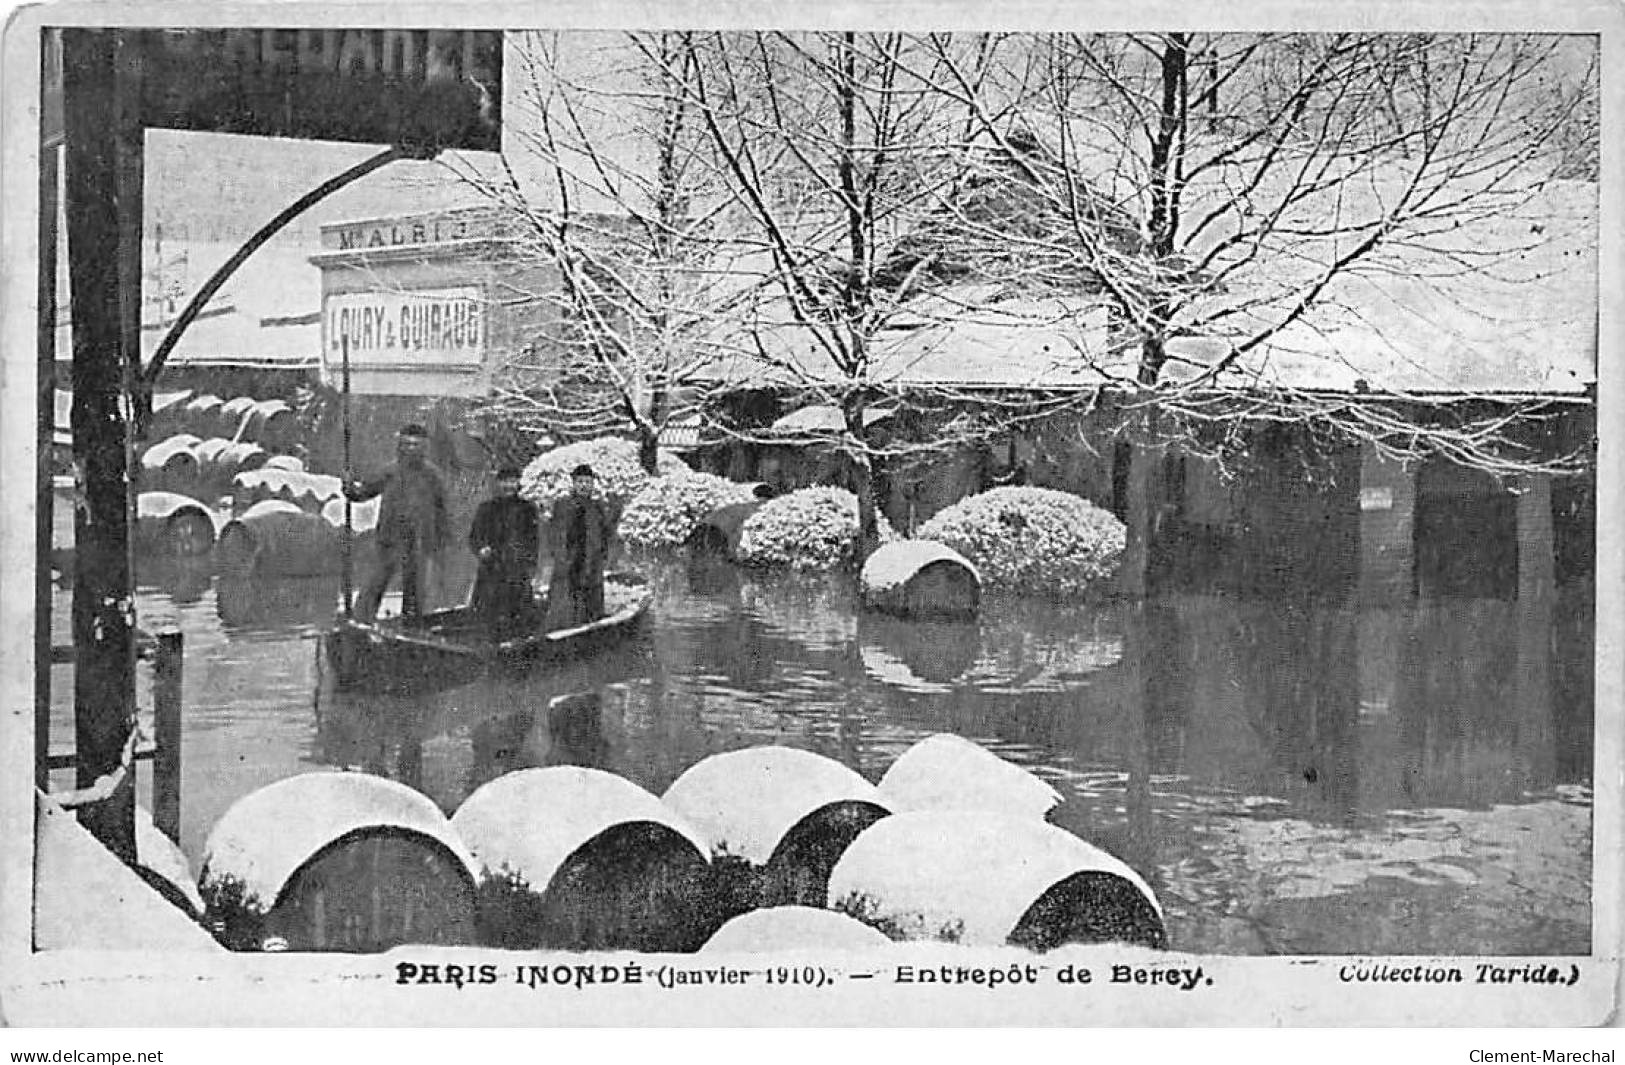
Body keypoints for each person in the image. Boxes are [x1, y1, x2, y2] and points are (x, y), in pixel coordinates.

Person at [345, 423, 448, 623]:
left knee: (415, 587)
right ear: (399, 445)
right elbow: (362, 493)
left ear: (424, 447)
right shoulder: (389, 471)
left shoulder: (433, 476)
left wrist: (440, 539)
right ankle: (361, 620)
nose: (411, 449)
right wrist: (348, 487)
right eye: (407, 444)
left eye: (416, 444)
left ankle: (412, 624)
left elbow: (442, 510)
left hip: (419, 538)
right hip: (391, 536)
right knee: (377, 579)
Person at [467, 465, 540, 639]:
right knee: (489, 614)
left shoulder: (527, 509)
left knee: (520, 614)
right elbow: (474, 537)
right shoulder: (486, 508)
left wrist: (530, 564)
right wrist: (481, 549)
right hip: (493, 569)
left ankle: (518, 647)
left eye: (513, 481)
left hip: (517, 569)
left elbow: (533, 541)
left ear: (518, 484)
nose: (509, 486)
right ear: (498, 484)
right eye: (505, 482)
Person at [546, 464, 612, 629]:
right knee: (566, 602)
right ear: (573, 483)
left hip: (591, 562)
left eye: (588, 482)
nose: (584, 485)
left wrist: (601, 557)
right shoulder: (562, 505)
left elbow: (604, 536)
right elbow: (556, 534)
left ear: (593, 485)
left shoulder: (597, 507)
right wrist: (561, 558)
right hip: (569, 562)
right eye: (580, 481)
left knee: (591, 603)